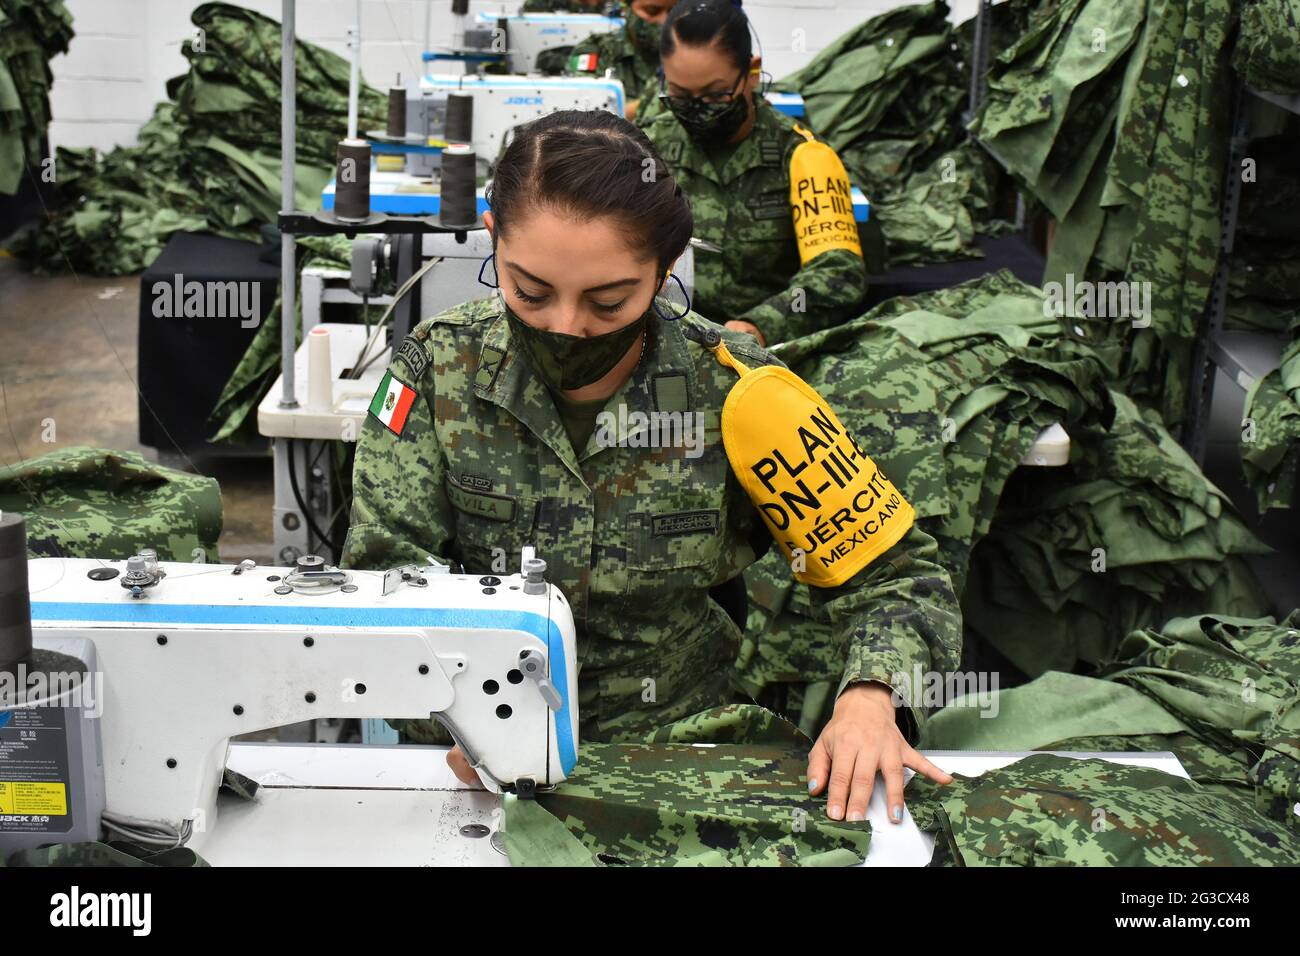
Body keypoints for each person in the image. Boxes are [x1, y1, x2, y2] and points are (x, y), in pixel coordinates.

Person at [339, 110, 961, 824]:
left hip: (678, 757)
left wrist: (872, 696)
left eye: (609, 301)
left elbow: (899, 579)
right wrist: (474, 717)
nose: (565, 326)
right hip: (466, 759)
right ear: (491, 236)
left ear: (665, 272)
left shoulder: (736, 392)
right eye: (530, 290)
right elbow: (385, 576)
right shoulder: (436, 370)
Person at [643, 0, 867, 346]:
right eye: (681, 96)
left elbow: (838, 271)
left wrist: (761, 325)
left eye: (716, 95)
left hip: (765, 352)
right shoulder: (647, 148)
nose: (699, 111)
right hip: (665, 337)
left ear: (751, 71)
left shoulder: (804, 156)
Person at [568, 0, 677, 120]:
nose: (664, 20)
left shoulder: (687, 55)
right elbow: (584, 118)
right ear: (626, 9)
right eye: (652, 11)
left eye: (673, 12)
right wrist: (661, 103)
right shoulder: (597, 51)